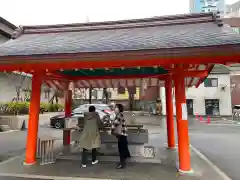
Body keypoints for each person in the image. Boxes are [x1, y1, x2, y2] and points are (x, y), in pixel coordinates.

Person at [110, 103, 131, 169]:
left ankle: (122, 164)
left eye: (116, 107)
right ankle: (123, 160)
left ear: (119, 109)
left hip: (122, 135)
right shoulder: (119, 115)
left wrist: (110, 130)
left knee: (121, 150)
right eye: (115, 107)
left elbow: (115, 123)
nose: (115, 109)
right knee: (123, 149)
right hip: (122, 135)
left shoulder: (119, 115)